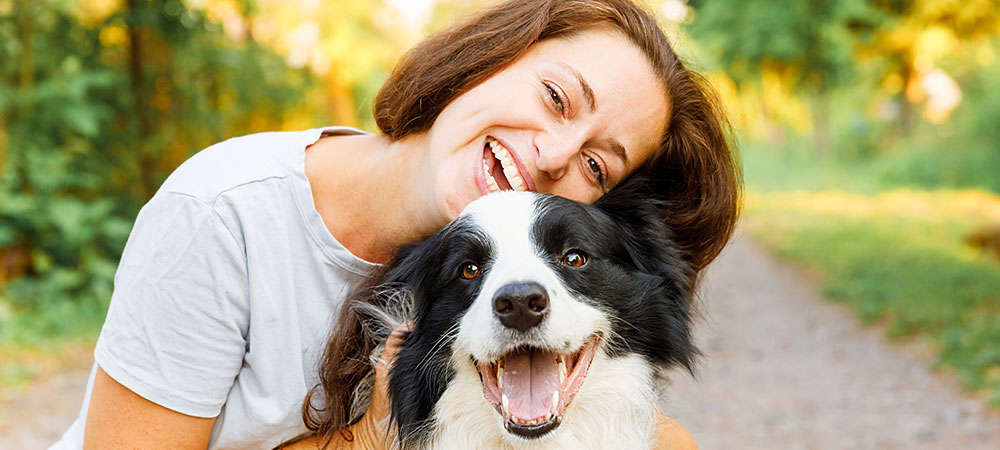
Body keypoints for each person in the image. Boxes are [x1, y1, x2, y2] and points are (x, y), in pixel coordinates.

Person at [53, 0, 740, 448]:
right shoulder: (222, 211)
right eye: (556, 97)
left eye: (596, 164)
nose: (555, 154)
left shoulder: (516, 296)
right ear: (489, 52)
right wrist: (371, 437)